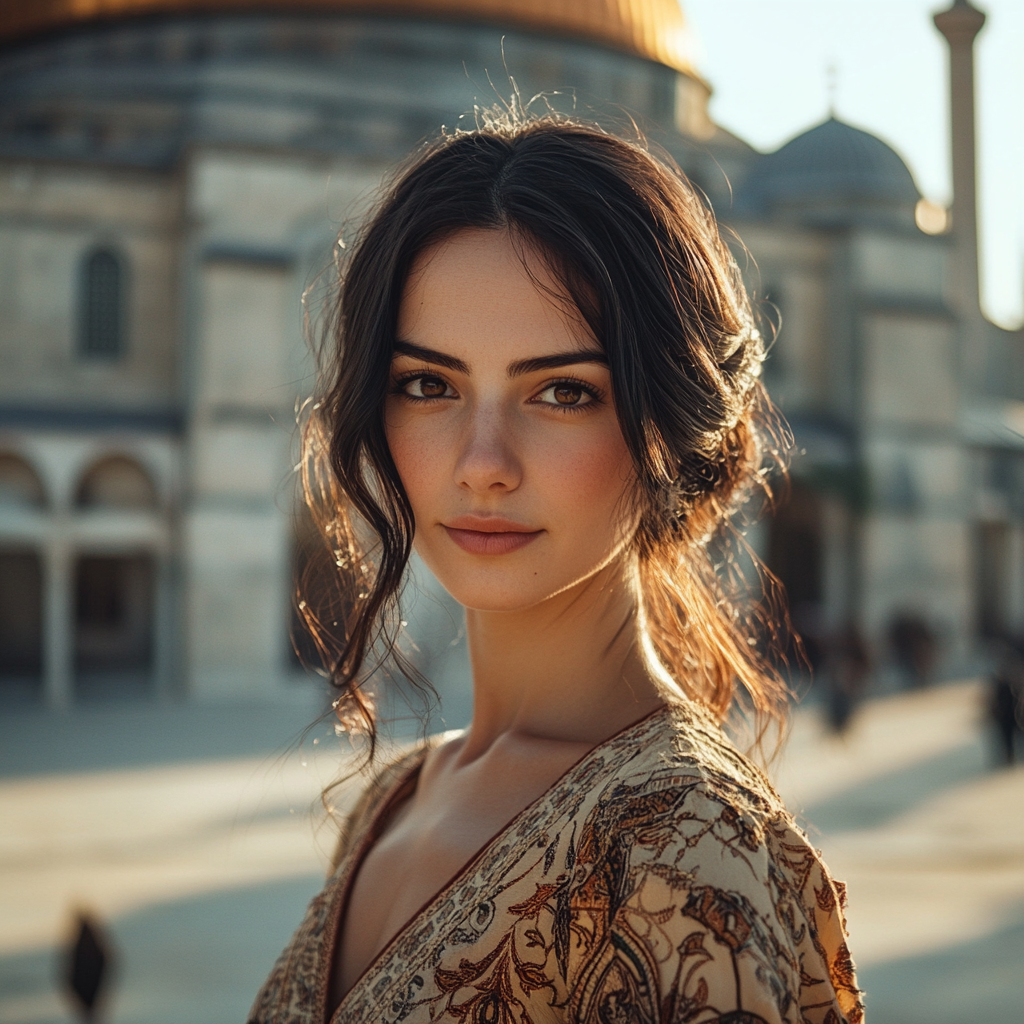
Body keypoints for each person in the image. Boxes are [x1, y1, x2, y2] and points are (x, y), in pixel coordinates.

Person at [249, 113, 862, 1024]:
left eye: (563, 392)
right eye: (430, 384)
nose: (481, 462)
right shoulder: (390, 800)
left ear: (667, 424)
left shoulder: (691, 852)